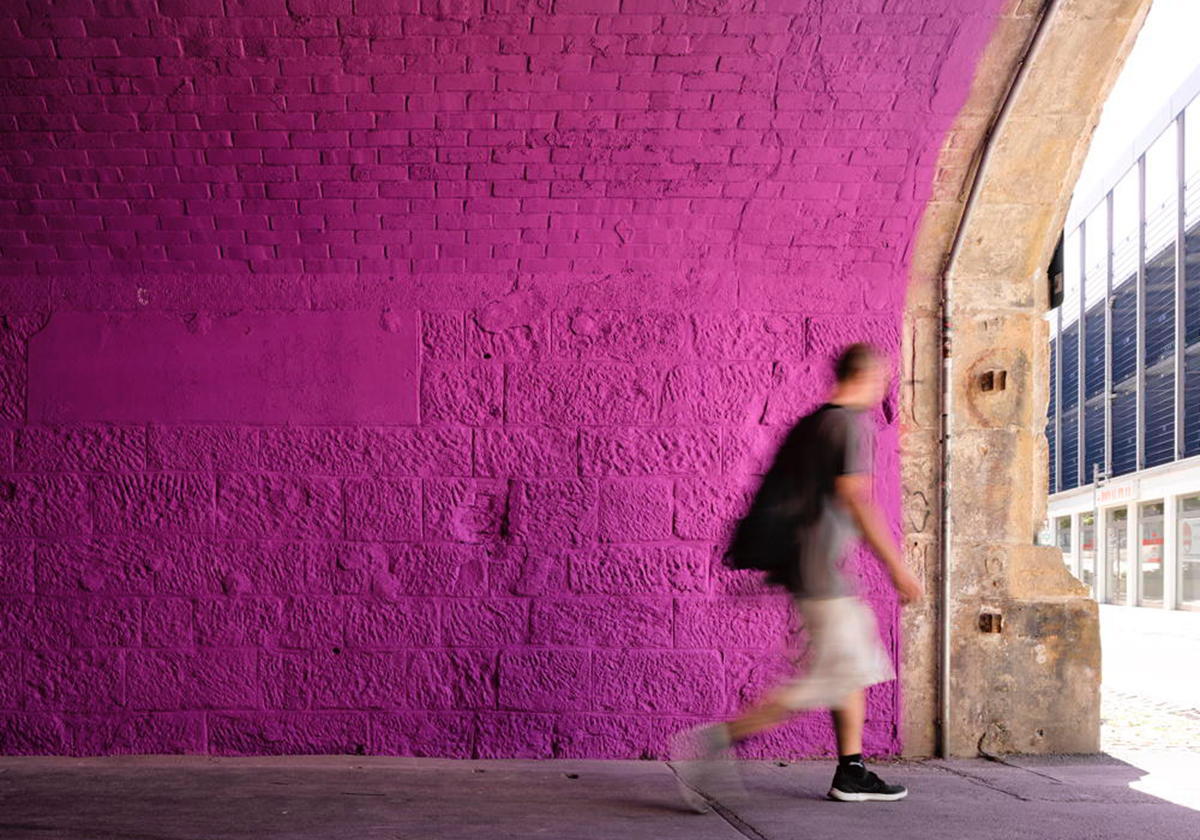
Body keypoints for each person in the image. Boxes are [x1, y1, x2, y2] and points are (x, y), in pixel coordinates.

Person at [671, 342, 924, 809]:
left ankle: (851, 771)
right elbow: (856, 500)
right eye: (884, 380)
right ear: (868, 377)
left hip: (813, 569)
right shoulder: (849, 425)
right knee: (828, 677)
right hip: (821, 574)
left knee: (850, 666)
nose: (884, 390)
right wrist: (897, 569)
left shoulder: (816, 423)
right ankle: (715, 742)